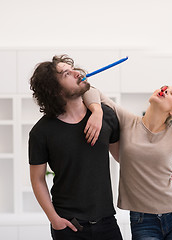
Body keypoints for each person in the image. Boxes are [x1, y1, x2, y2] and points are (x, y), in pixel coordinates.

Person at [83, 85, 172, 240]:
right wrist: (97, 110)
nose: (165, 91)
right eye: (164, 88)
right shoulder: (128, 121)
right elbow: (89, 89)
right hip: (142, 220)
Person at [28, 54, 123, 240]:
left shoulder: (107, 116)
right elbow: (37, 179)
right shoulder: (41, 132)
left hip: (107, 222)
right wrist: (54, 219)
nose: (77, 73)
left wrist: (161, 171)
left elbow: (124, 158)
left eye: (73, 69)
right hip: (69, 226)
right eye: (66, 74)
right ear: (54, 90)